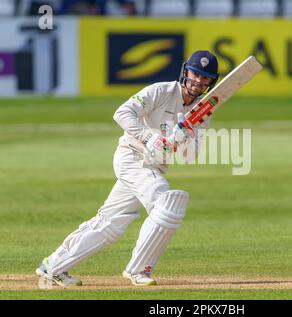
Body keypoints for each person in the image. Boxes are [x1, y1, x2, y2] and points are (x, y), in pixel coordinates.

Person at [35, 50, 219, 286]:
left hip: (155, 167)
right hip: (131, 157)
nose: (199, 81)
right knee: (167, 203)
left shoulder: (201, 113)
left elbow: (191, 156)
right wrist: (147, 137)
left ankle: (53, 266)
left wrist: (183, 137)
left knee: (111, 223)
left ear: (211, 82)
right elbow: (122, 112)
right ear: (186, 72)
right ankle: (138, 270)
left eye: (205, 78)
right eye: (195, 74)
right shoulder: (160, 91)